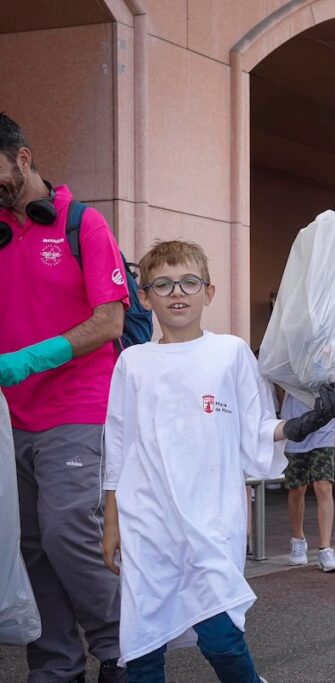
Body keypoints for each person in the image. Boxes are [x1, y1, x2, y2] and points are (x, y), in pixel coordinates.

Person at [101, 240, 335, 681]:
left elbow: (255, 428)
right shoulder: (133, 362)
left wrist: (301, 425)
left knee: (221, 636)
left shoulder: (230, 353)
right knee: (142, 644)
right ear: (145, 296)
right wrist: (112, 521)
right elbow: (119, 444)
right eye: (164, 284)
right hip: (146, 522)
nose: (177, 292)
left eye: (189, 282)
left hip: (211, 519)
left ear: (208, 292)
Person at [0, 112, 128, 681]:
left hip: (78, 407)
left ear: (22, 159)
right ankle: (56, 665)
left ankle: (123, 646)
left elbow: (109, 321)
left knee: (67, 531)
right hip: (10, 419)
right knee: (29, 545)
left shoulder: (83, 224)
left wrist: (32, 358)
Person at [281, 390, 335, 572]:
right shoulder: (289, 360)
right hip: (295, 422)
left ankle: (326, 548)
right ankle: (298, 538)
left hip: (325, 427)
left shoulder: (329, 360)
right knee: (296, 487)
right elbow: (278, 382)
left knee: (323, 485)